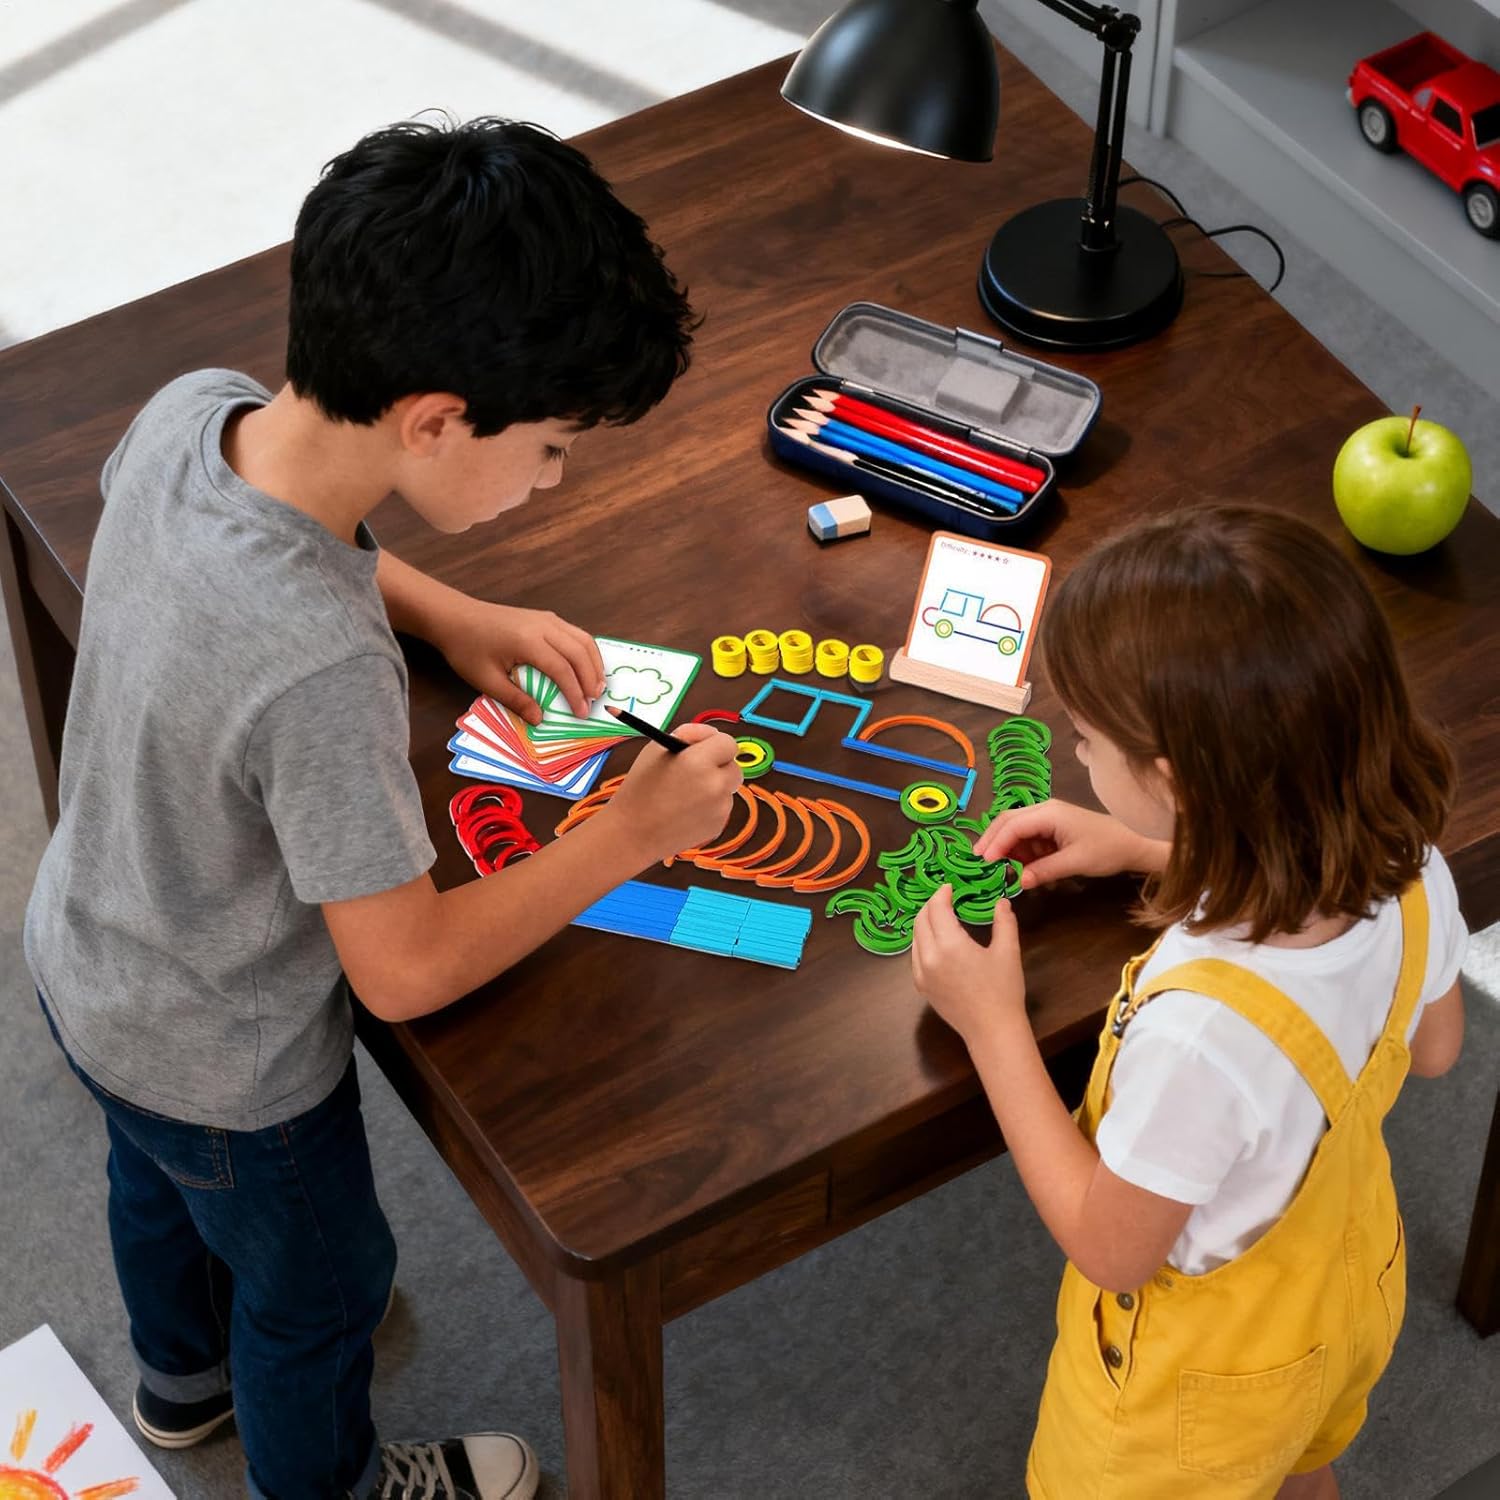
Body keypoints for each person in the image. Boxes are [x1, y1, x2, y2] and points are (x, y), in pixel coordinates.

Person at [24, 117, 742, 1500]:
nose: (551, 479)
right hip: (235, 1068)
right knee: (323, 1291)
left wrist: (450, 609)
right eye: (549, 448)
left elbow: (293, 538)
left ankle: (180, 1384)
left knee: (154, 1190)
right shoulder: (321, 672)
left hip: (89, 960)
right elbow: (404, 972)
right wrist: (632, 834)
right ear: (435, 421)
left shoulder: (196, 410)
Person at [911, 504, 1467, 1500]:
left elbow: (1112, 1249)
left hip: (1198, 1396)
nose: (1079, 753)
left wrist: (991, 1025)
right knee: (1298, 1464)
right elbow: (1434, 1049)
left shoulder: (1203, 1031)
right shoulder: (1409, 861)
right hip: (1345, 1294)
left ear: (1175, 781)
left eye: (1087, 739)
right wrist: (1150, 848)